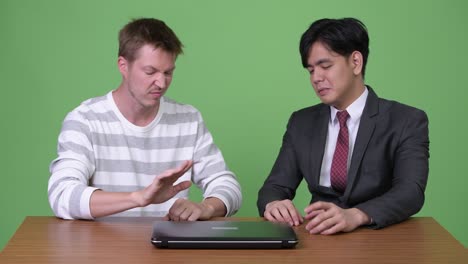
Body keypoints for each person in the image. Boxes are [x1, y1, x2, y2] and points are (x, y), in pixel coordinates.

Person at [48, 18, 242, 220]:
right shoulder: (84, 120)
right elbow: (62, 195)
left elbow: (227, 185)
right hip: (103, 249)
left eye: (168, 72)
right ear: (123, 66)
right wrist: (139, 198)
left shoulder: (188, 119)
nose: (161, 82)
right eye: (150, 71)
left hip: (168, 248)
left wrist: (206, 208)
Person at [257, 18, 429, 234]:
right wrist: (274, 204)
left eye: (325, 66)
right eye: (310, 70)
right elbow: (274, 187)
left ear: (356, 62)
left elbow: (410, 192)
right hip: (319, 237)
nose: (316, 78)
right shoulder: (301, 122)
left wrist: (356, 214)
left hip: (380, 236)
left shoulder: (406, 120)